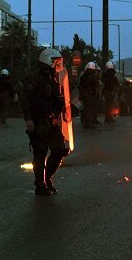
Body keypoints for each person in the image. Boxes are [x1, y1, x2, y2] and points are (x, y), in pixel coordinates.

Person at [21, 48, 70, 196]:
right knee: (40, 153)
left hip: (51, 120)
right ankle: (40, 184)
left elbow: (57, 97)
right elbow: (26, 99)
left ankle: (47, 177)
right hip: (38, 120)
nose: (57, 64)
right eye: (55, 61)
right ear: (48, 60)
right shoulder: (34, 78)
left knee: (60, 149)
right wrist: (28, 119)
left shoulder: (53, 76)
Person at [78, 62, 99, 128]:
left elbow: (80, 85)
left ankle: (86, 121)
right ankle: (88, 123)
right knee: (89, 109)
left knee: (86, 108)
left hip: (84, 94)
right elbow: (96, 84)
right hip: (90, 95)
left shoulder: (83, 75)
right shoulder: (92, 75)